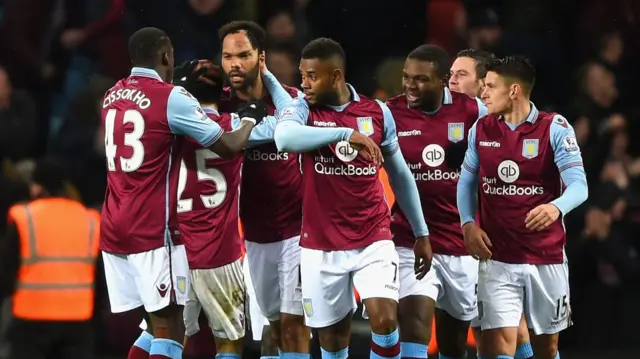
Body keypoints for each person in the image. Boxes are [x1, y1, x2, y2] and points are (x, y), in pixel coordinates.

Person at [99, 27, 266, 359]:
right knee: (171, 328)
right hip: (153, 230)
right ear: (165, 56)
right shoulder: (171, 99)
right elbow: (229, 145)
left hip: (113, 226)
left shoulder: (111, 95)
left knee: (152, 326)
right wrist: (249, 119)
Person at [274, 37, 431, 359]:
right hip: (320, 242)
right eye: (301, 76)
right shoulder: (302, 108)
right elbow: (284, 138)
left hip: (372, 235)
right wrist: (345, 134)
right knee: (333, 342)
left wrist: (421, 232)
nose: (304, 84)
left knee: (386, 320)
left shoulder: (377, 112)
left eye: (311, 76)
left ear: (335, 76)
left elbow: (400, 174)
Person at [457, 56, 588, 359]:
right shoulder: (482, 129)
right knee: (499, 346)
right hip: (497, 257)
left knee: (547, 349)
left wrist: (556, 208)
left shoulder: (554, 128)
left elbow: (579, 186)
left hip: (546, 256)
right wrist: (468, 223)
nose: (483, 93)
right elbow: (466, 183)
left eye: (490, 86)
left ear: (514, 90)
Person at [175, 61, 288, 359]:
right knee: (228, 342)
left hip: (176, 248)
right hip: (219, 251)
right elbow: (288, 122)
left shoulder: (168, 129)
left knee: (166, 336)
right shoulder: (235, 125)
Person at [386, 44, 487, 359]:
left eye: (421, 80)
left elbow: (508, 137)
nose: (410, 87)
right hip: (410, 239)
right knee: (415, 323)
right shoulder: (390, 112)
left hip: (460, 245)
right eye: (406, 78)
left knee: (453, 342)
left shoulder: (472, 110)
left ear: (444, 80)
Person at [217, 20, 309, 358]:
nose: (235, 64)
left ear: (261, 57)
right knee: (271, 328)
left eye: (243, 55)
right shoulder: (217, 106)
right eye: (227, 57)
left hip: (297, 230)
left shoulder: (293, 100)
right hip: (251, 235)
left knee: (293, 324)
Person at [449, 49, 535, 359]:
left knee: (495, 331)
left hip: (488, 240)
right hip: (459, 234)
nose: (452, 81)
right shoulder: (450, 117)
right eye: (450, 74)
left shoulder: (501, 124)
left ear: (485, 83)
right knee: (498, 328)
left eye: (462, 75)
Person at [0, 158, 100, 359]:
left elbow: (6, 272)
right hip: (78, 320)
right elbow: (99, 277)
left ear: (37, 186)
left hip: (31, 319)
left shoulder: (25, 217)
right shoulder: (89, 219)